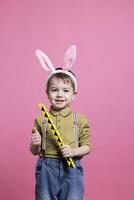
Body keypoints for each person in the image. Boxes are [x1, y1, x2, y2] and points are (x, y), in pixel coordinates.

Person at [30, 45, 92, 200]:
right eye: (54, 90)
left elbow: (87, 146)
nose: (59, 95)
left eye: (65, 90)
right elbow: (33, 150)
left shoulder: (81, 120)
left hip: (71, 167)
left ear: (74, 95)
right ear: (47, 92)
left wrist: (73, 151)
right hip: (46, 168)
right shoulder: (41, 119)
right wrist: (36, 144)